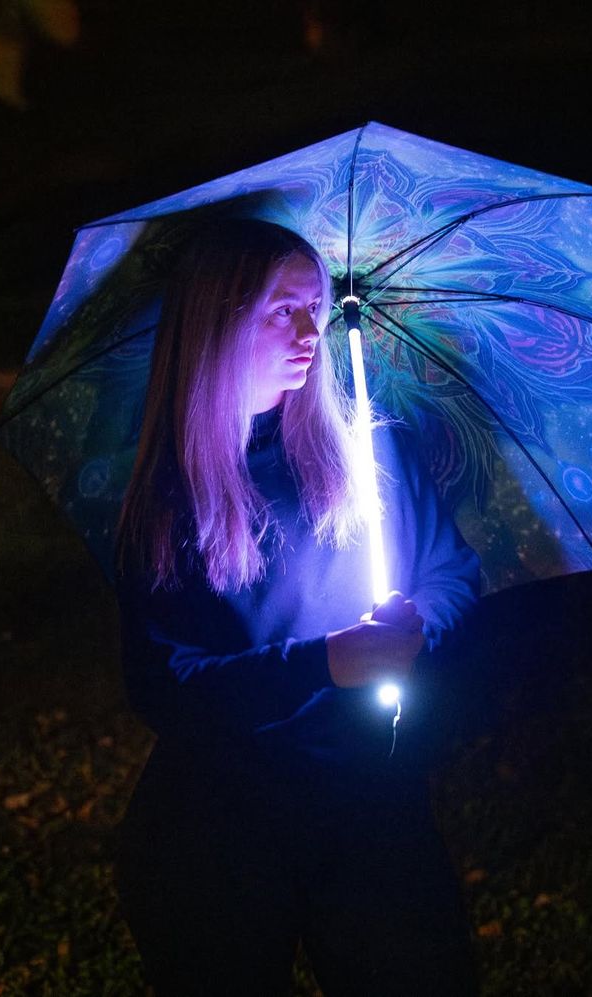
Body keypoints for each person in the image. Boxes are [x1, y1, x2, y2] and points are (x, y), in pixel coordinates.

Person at [114, 218, 481, 996]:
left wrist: (416, 628)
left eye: (315, 304)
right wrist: (322, 663)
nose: (311, 330)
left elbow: (452, 572)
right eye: (282, 309)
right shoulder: (168, 501)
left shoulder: (371, 451)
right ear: (216, 320)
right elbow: (167, 685)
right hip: (221, 825)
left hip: (371, 797)